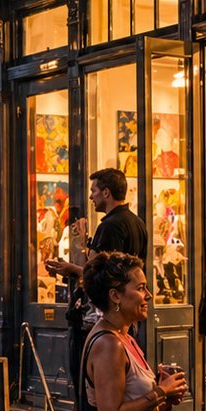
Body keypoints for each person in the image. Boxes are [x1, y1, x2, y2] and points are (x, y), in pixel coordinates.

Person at [68, 253, 187, 411]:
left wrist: (166, 399)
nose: (149, 296)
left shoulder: (126, 337)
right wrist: (159, 392)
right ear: (115, 296)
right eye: (141, 288)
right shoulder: (108, 343)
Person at [46, 169, 148, 398]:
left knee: (93, 381)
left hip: (106, 312)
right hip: (127, 310)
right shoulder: (137, 223)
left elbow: (98, 274)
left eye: (93, 191)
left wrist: (70, 269)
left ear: (106, 192)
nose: (91, 197)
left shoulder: (110, 226)